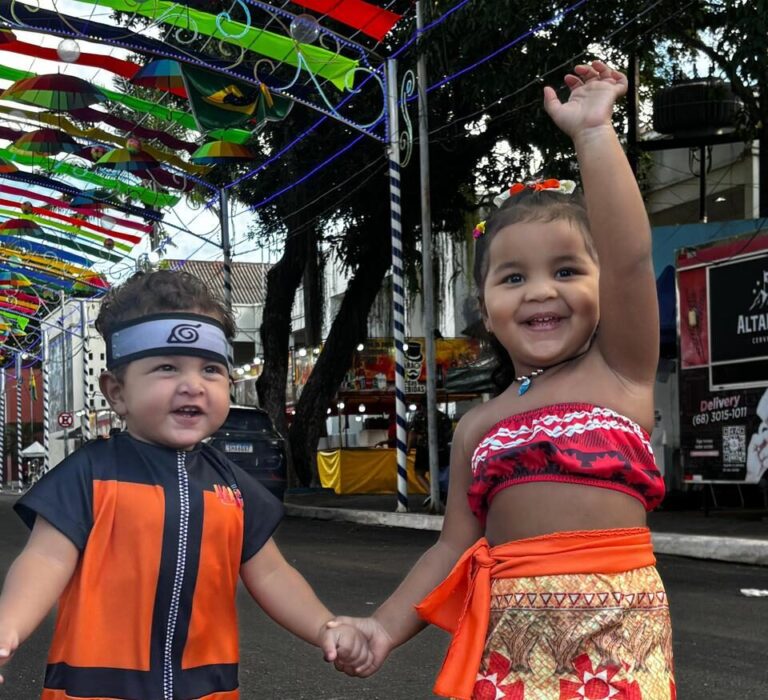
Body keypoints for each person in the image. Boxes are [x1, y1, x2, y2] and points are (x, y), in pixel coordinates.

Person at [328, 61, 675, 699]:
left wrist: (594, 132)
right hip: (510, 644)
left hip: (619, 642)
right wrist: (381, 627)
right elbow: (451, 550)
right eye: (513, 278)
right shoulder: (476, 427)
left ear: (605, 293)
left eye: (568, 270)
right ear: (485, 309)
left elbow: (628, 255)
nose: (541, 291)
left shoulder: (620, 368)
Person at [0, 270, 371, 698]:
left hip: (208, 688)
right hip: (97, 687)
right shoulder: (89, 475)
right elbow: (44, 561)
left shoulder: (233, 485)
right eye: (166, 367)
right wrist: (8, 626)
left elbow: (271, 573)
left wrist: (324, 626)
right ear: (116, 392)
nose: (192, 385)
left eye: (211, 369)